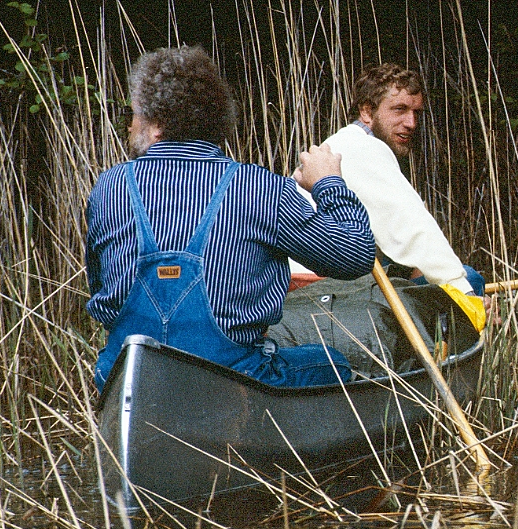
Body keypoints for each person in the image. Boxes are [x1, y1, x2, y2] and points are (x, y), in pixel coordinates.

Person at [85, 45, 375, 392]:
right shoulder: (262, 187)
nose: (130, 126)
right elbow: (356, 255)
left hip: (127, 381)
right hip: (231, 383)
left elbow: (102, 288)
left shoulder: (109, 187)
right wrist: (328, 182)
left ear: (158, 126)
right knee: (335, 363)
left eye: (132, 115)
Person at [292, 62, 486, 303]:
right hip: (312, 287)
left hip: (317, 282)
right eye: (399, 109)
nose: (411, 123)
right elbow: (414, 229)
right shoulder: (361, 148)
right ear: (366, 112)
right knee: (470, 279)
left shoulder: (344, 145)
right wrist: (465, 293)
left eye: (416, 113)